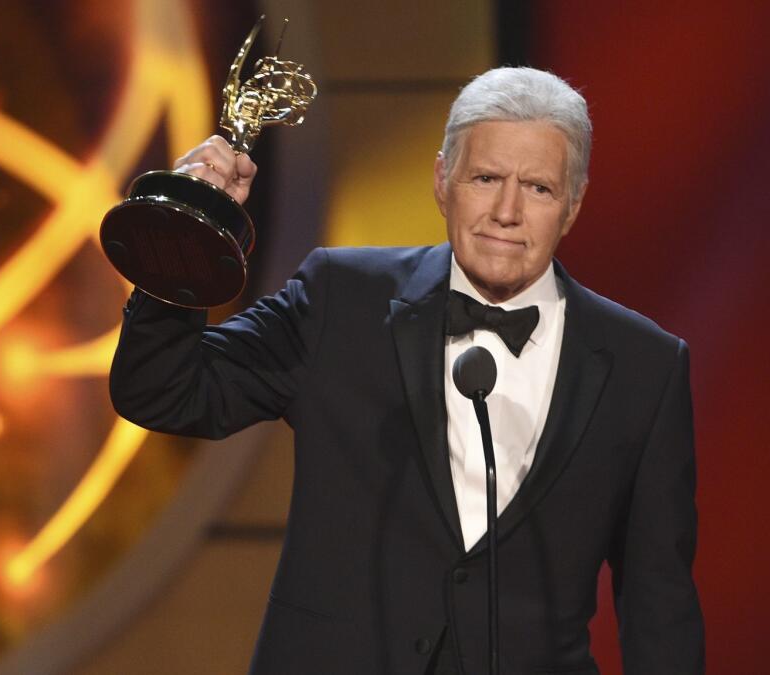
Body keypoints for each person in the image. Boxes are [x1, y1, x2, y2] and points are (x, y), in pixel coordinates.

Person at [110, 67, 704, 675]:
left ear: (574, 205)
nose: (506, 211)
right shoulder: (340, 298)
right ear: (442, 180)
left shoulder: (644, 367)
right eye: (486, 177)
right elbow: (165, 393)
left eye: (539, 189)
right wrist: (177, 239)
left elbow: (660, 605)